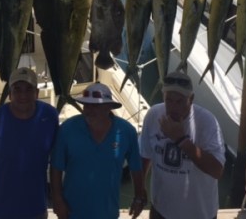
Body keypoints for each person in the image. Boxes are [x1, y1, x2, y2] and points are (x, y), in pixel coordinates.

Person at [0, 67, 59, 219]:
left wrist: (58, 198)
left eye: (28, 89)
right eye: (17, 89)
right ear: (9, 94)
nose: (23, 95)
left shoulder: (50, 116)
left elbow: (58, 161)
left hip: (36, 211)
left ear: (37, 93)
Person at [50, 82, 147, 219]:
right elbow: (56, 167)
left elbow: (136, 167)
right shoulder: (67, 128)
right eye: (86, 105)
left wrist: (138, 197)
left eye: (95, 105)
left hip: (108, 212)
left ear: (109, 107)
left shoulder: (127, 131)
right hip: (72, 212)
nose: (89, 110)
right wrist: (58, 200)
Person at [140, 71, 225, 219]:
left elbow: (217, 170)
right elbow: (145, 155)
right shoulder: (154, 115)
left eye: (180, 102)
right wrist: (140, 189)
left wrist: (181, 140)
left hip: (199, 214)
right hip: (161, 211)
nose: (173, 107)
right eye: (169, 101)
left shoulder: (208, 122)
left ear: (191, 99)